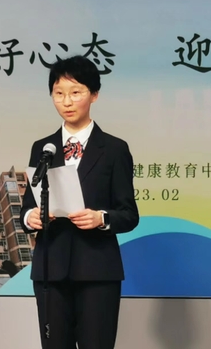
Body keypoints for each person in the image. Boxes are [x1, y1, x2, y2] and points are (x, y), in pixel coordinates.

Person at [19, 55, 140, 349]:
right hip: (50, 270)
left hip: (97, 270)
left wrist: (101, 218)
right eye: (58, 93)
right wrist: (30, 218)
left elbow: (129, 214)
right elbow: (27, 206)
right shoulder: (42, 148)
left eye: (76, 92)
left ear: (94, 94)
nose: (67, 101)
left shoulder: (114, 149)